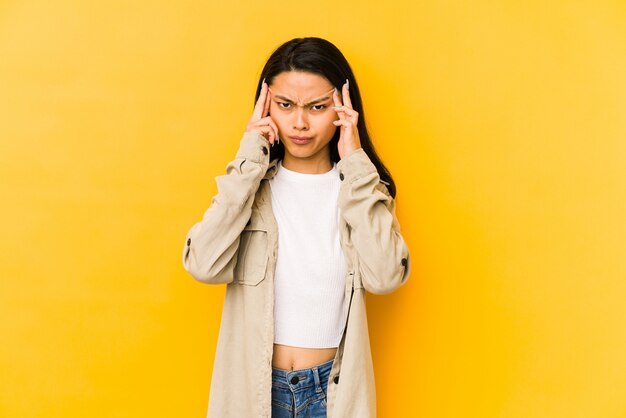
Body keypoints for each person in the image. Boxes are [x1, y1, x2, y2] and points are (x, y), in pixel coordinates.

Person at [182, 36, 410, 418]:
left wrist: (354, 161)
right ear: (266, 105)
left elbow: (386, 276)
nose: (300, 122)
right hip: (254, 394)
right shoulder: (252, 191)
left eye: (317, 107)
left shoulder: (358, 191)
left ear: (342, 109)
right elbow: (202, 264)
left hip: (331, 396)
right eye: (286, 105)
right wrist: (249, 156)